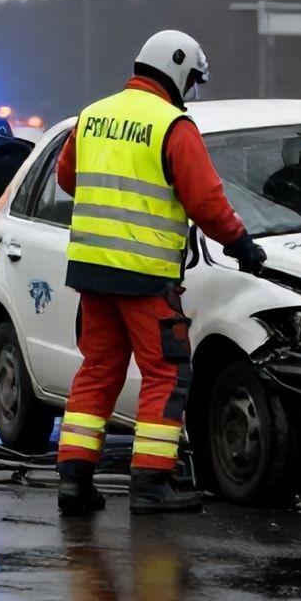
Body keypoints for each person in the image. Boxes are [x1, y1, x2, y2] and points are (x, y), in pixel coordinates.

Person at [53, 29, 266, 517]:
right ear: (176, 71)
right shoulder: (173, 126)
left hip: (91, 272)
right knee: (167, 374)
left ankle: (74, 482)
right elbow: (207, 201)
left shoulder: (92, 116)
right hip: (145, 277)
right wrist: (241, 244)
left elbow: (68, 179)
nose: (189, 90)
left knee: (98, 371)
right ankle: (151, 484)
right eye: (191, 80)